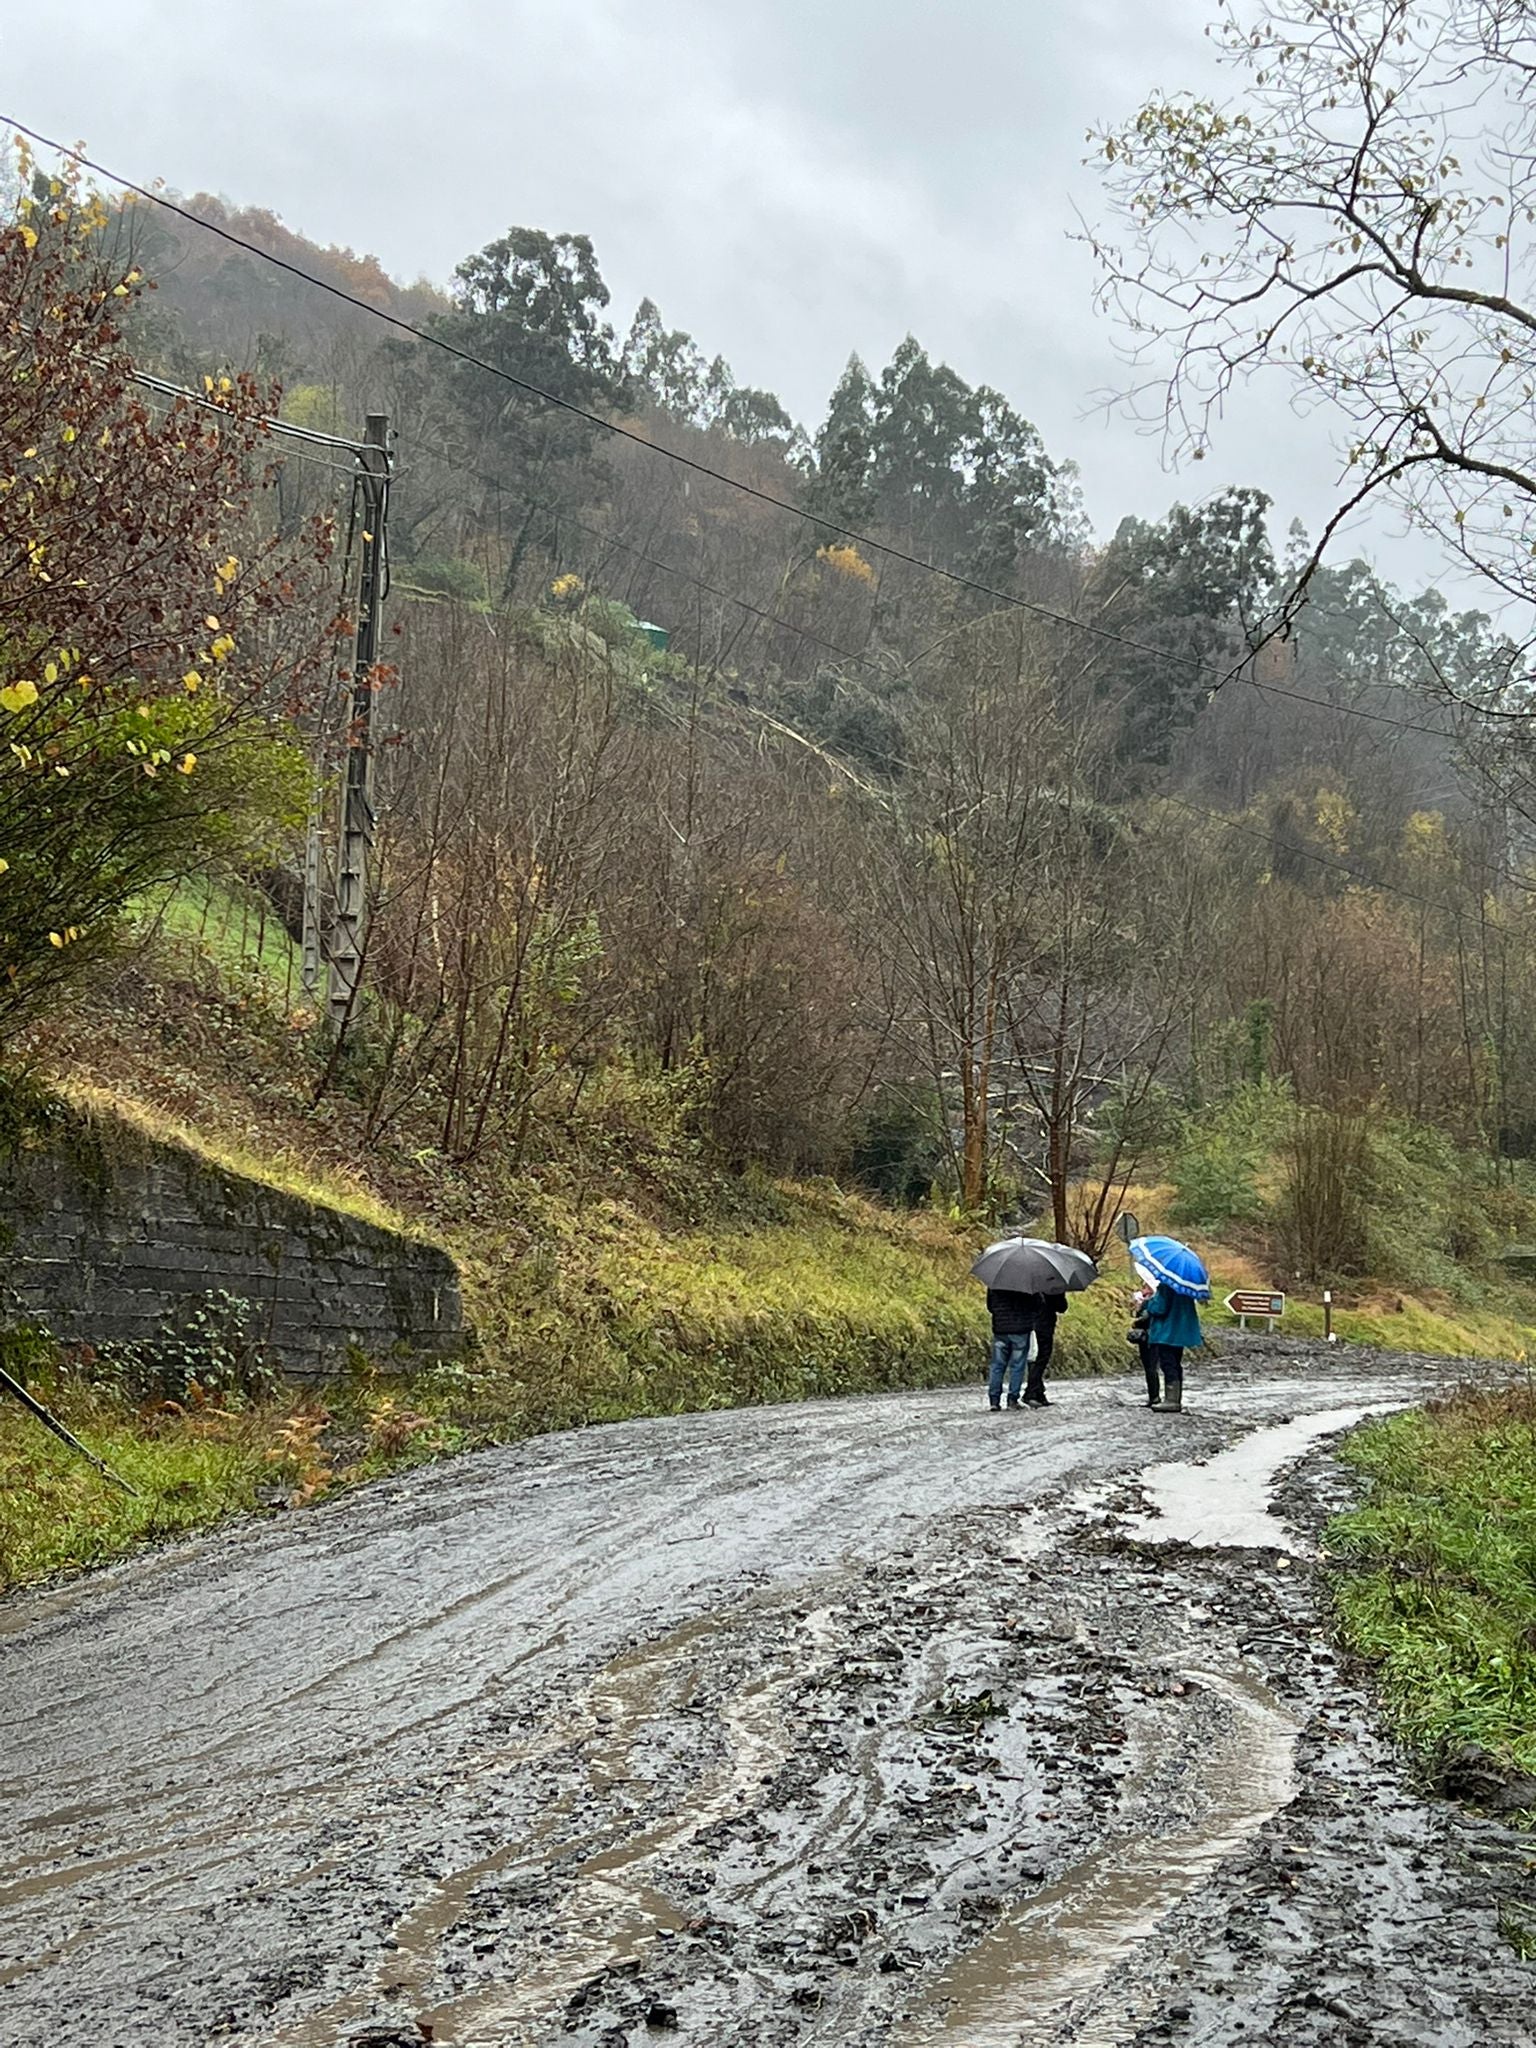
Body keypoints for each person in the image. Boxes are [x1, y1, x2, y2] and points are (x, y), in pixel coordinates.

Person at [985, 1288, 1068, 1410]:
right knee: (1017, 1366)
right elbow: (1037, 1304)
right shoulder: (1027, 1284)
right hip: (1021, 1328)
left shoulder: (994, 1283)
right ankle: (1012, 1400)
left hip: (1000, 1329)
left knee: (997, 1365)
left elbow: (990, 1306)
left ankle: (994, 1401)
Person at [1142, 1280, 1203, 1412]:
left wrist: (1149, 1301)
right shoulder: (1186, 1288)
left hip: (1166, 1332)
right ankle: (1175, 1398)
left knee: (1167, 1363)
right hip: (1180, 1332)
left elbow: (1159, 1309)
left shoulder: (1165, 1287)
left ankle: (1171, 1400)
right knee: (1176, 1363)